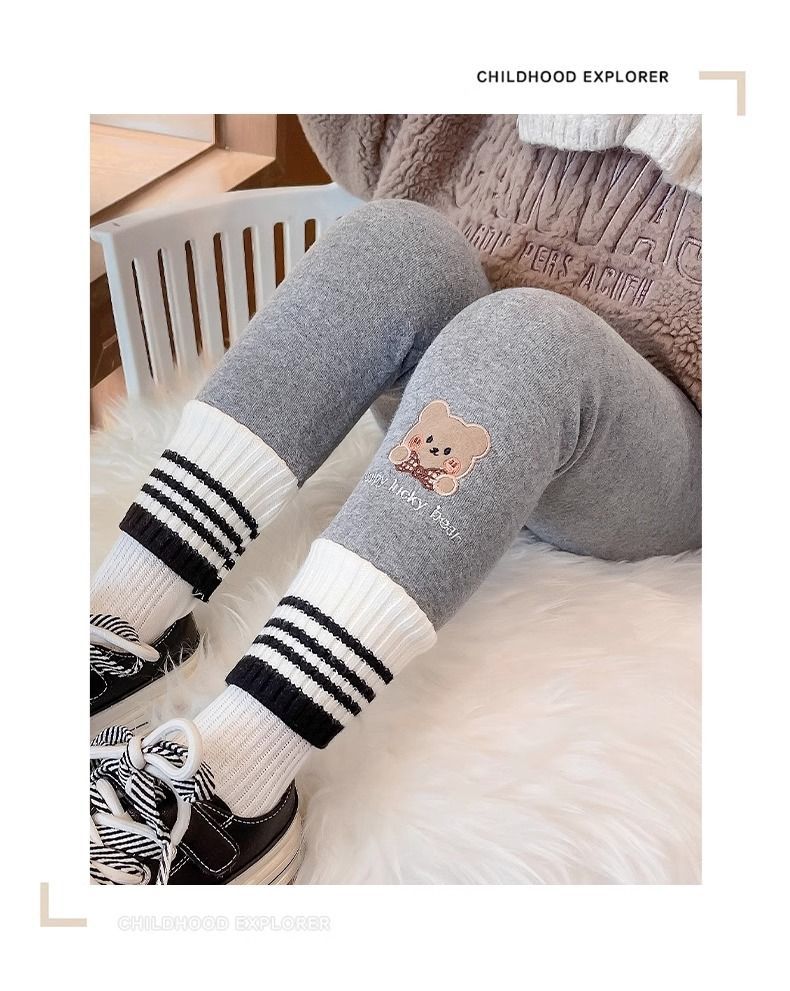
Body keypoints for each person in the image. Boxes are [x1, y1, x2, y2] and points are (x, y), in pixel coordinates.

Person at [89, 115, 701, 885]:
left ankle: (231, 780)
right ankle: (120, 626)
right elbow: (367, 131)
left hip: (660, 436)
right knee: (394, 239)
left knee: (525, 339)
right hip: (454, 373)